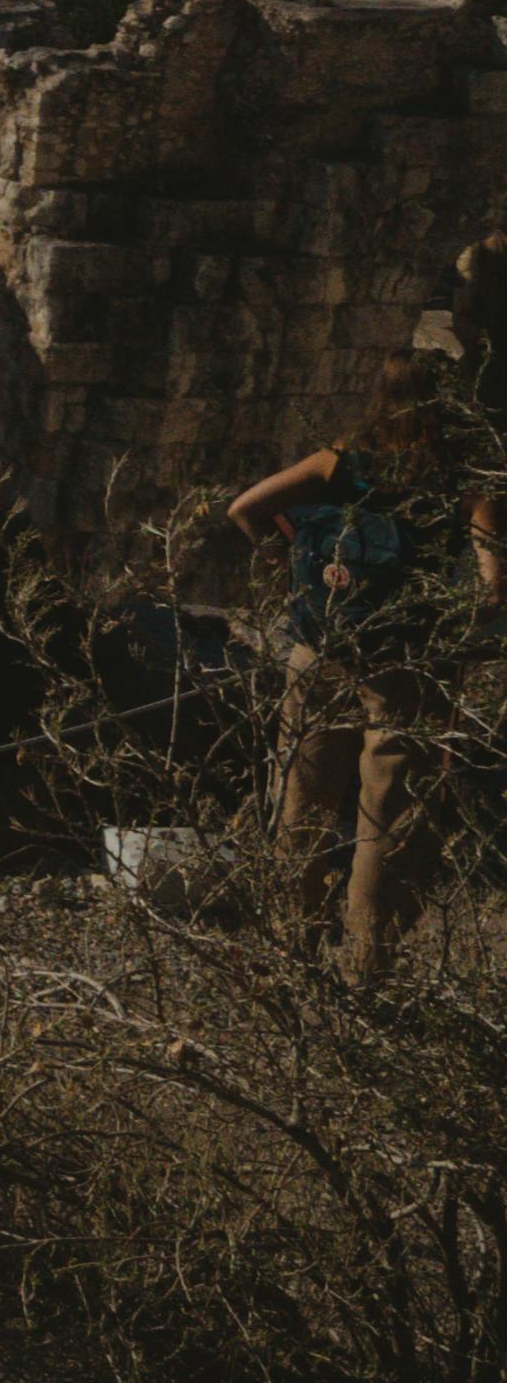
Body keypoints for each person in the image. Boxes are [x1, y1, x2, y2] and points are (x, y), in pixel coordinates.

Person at [230, 384, 500, 985]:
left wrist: (292, 569)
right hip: (404, 668)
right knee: (387, 820)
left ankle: (287, 952)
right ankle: (364, 970)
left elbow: (243, 509)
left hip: (320, 647)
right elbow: (491, 590)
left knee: (301, 800)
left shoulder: (337, 462)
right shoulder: (463, 485)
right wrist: (445, 628)